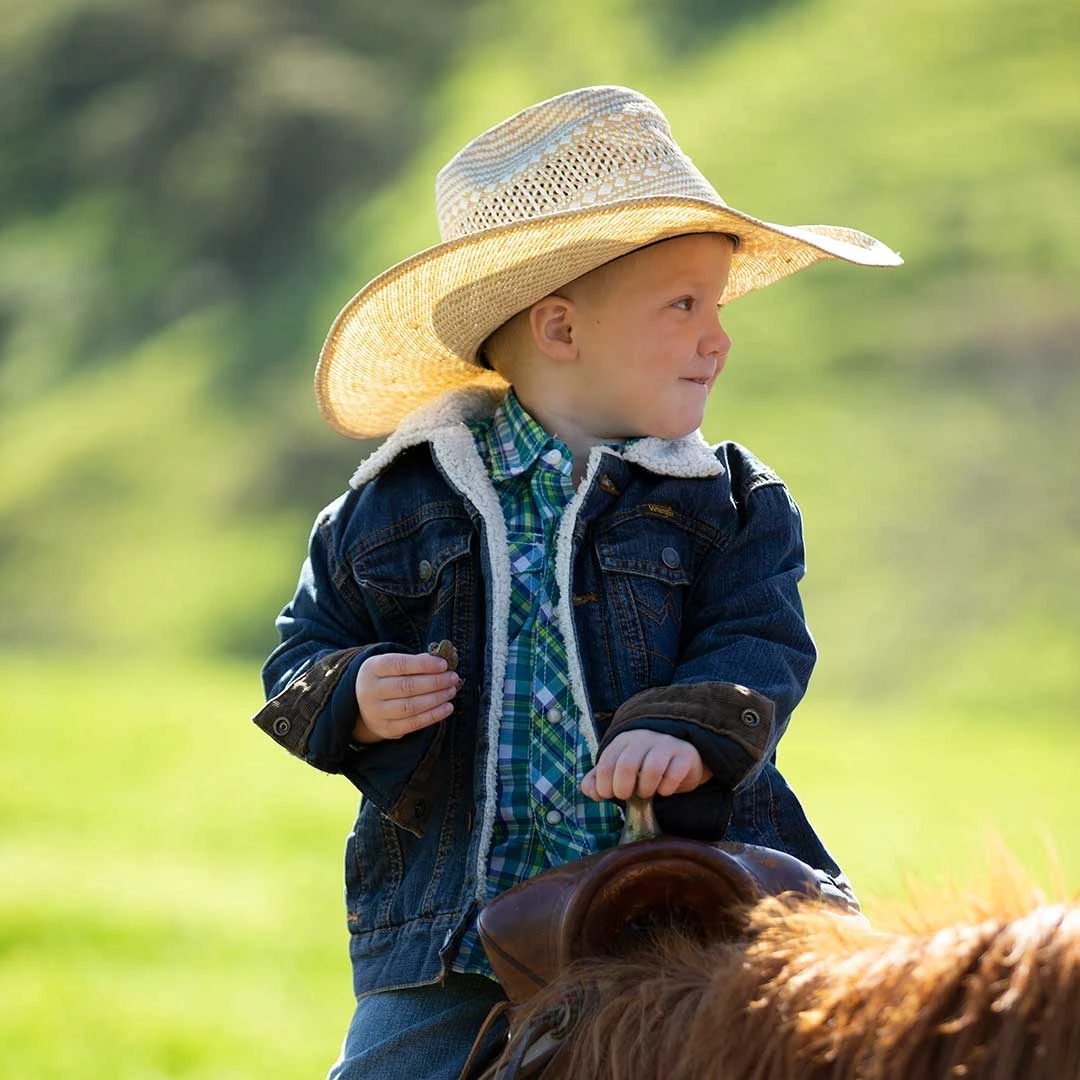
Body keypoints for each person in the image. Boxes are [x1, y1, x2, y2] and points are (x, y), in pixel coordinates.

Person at [254, 85, 901, 1079]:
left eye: (717, 307)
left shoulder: (730, 504)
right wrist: (355, 695)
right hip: (456, 938)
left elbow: (760, 640)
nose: (718, 337)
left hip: (692, 895)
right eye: (684, 306)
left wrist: (685, 728)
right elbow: (300, 655)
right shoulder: (390, 506)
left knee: (842, 1045)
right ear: (559, 330)